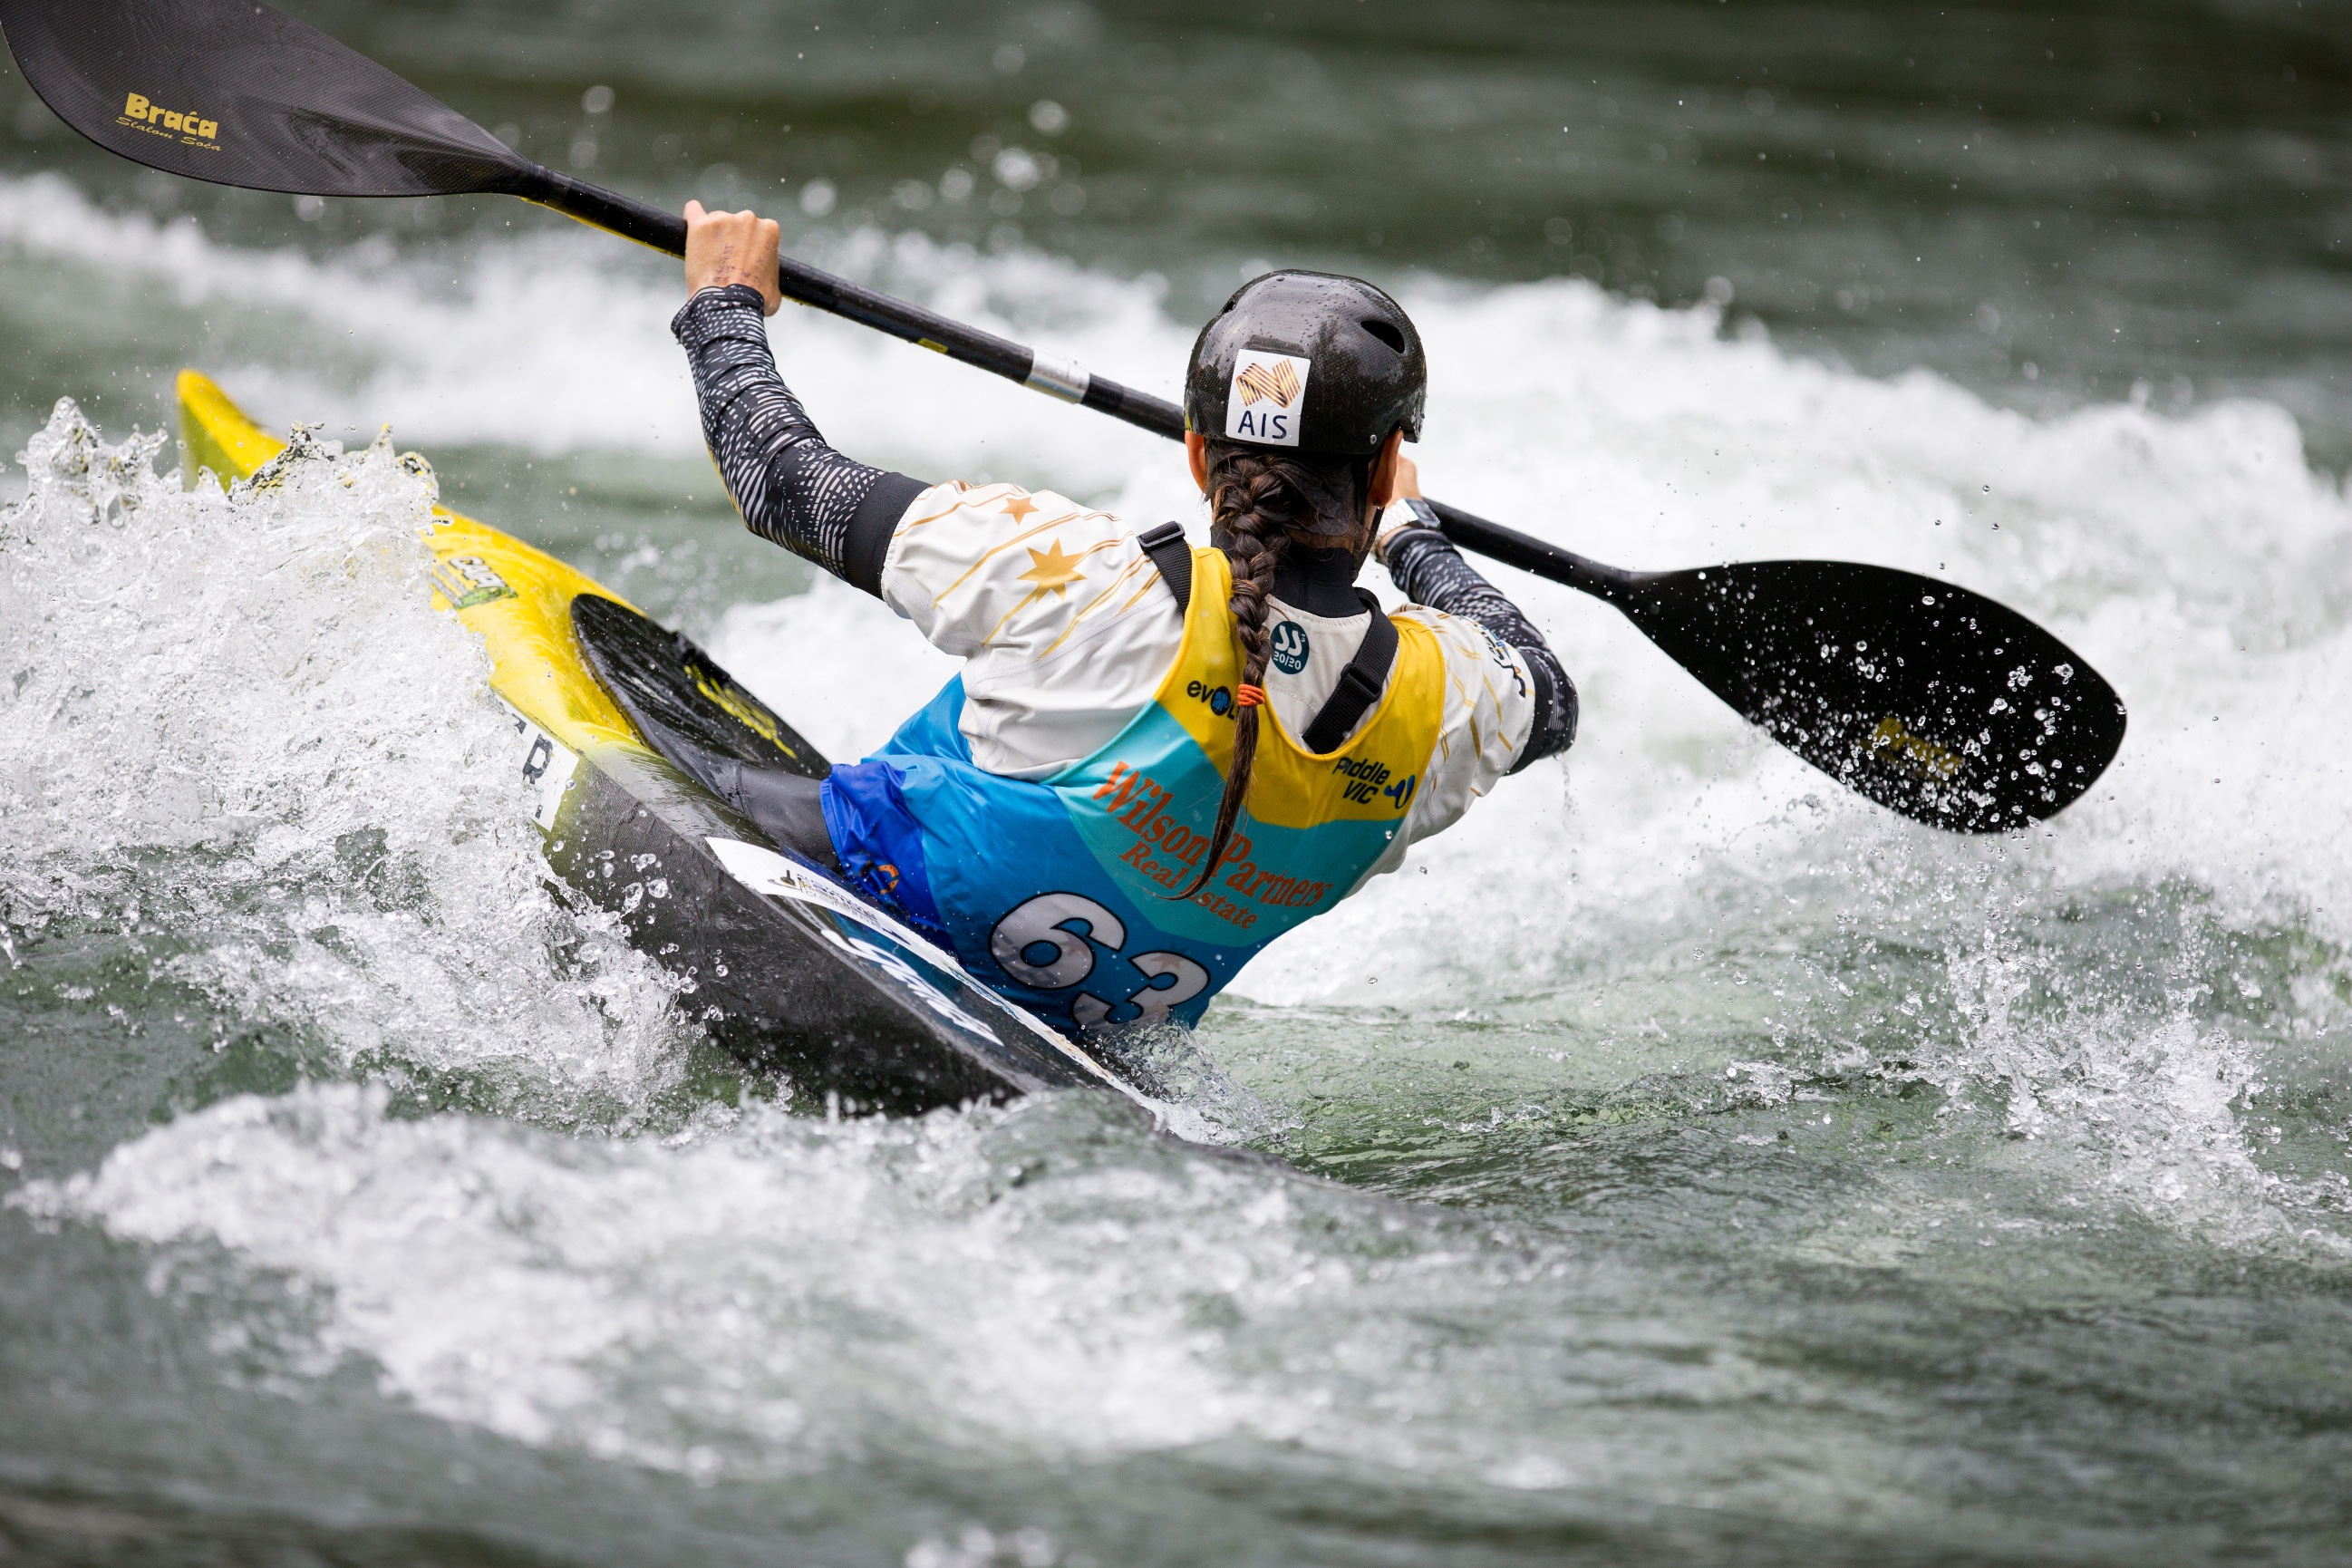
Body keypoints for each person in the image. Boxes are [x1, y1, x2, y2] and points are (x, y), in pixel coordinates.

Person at [672, 200, 1576, 1034]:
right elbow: (1547, 689)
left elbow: (784, 486)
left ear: (1194, 452)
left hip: (845, 898)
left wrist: (723, 303)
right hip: (1081, 1040)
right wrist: (1416, 536)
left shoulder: (1083, 577)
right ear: (1381, 476)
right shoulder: (1443, 703)